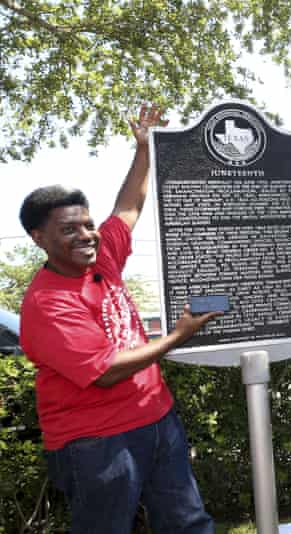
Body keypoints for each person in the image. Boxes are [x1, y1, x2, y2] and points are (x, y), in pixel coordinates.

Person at [18, 105, 220, 533]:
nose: (86, 235)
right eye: (69, 230)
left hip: (157, 418)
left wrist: (143, 148)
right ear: (39, 238)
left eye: (87, 224)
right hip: (96, 440)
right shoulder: (47, 303)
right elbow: (106, 372)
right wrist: (178, 336)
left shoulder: (102, 257)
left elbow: (128, 206)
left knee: (189, 523)